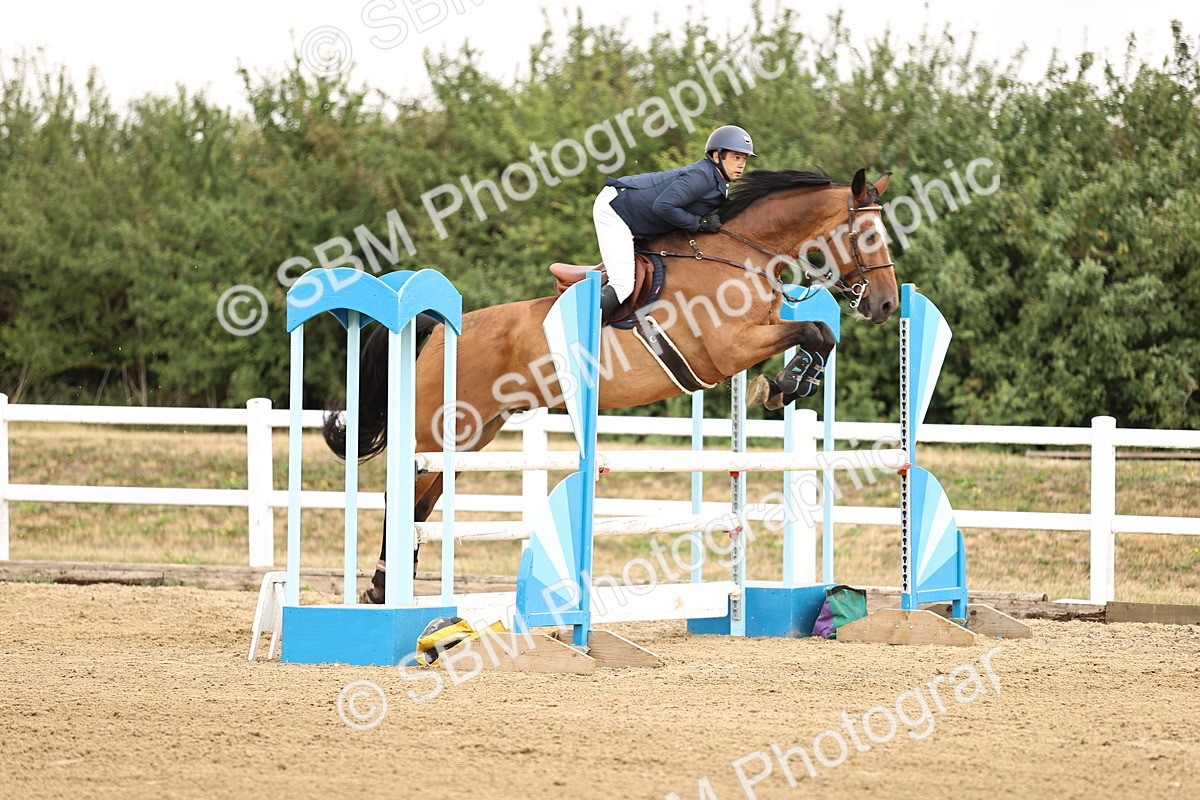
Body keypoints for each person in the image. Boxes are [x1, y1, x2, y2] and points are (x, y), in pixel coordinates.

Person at [593, 124, 757, 323]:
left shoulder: (720, 185)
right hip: (615, 209)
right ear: (716, 156)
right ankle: (581, 330)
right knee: (623, 284)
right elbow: (663, 207)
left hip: (635, 215)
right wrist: (697, 223)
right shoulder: (701, 177)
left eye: (744, 159)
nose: (741, 165)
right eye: (735, 157)